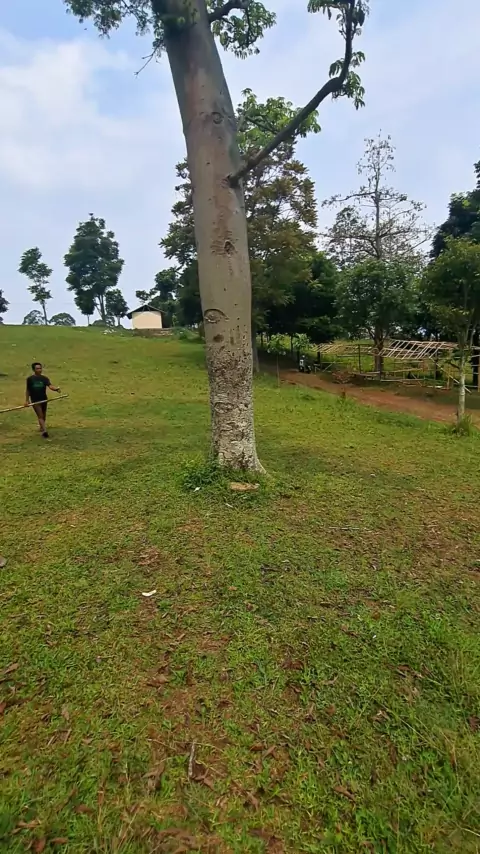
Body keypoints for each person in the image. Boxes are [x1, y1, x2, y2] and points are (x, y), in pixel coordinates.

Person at [24, 362, 61, 438]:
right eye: (37, 368)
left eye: (40, 368)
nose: (39, 370)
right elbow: (28, 390)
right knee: (40, 415)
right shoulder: (30, 379)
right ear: (34, 370)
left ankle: (41, 427)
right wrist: (27, 400)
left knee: (43, 415)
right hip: (35, 400)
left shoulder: (44, 378)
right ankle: (45, 431)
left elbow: (50, 386)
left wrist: (56, 389)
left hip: (44, 399)